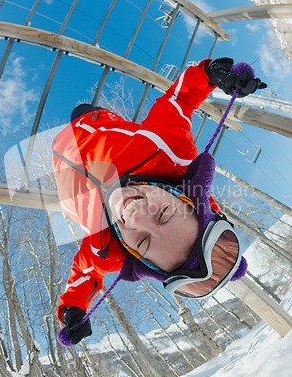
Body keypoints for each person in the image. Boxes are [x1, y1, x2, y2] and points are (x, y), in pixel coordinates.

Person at [52, 57, 266, 345]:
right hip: (91, 123)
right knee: (81, 109)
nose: (136, 216)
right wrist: (211, 74)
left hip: (58, 157)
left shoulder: (104, 249)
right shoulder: (168, 150)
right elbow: (180, 100)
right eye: (163, 213)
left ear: (135, 256)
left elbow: (85, 272)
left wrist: (74, 307)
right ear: (183, 196)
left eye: (141, 242)